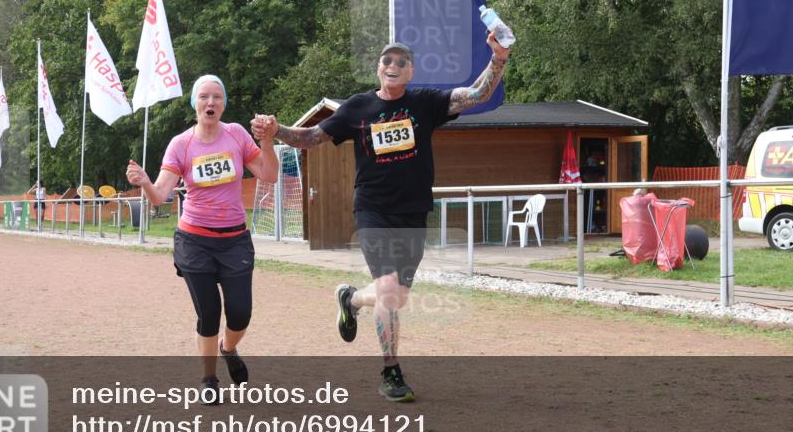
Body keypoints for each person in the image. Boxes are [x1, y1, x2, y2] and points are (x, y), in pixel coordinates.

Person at [252, 33, 510, 401]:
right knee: (388, 290)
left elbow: (478, 94)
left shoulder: (425, 103)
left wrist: (498, 58)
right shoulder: (358, 108)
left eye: (401, 62)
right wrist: (276, 131)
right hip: (372, 210)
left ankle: (352, 299)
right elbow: (310, 138)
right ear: (378, 68)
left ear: (411, 72)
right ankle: (391, 372)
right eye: (387, 60)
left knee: (396, 297)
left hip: (413, 212)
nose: (393, 66)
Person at [127, 74, 278, 403]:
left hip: (234, 240)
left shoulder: (236, 135)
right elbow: (160, 196)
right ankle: (208, 380)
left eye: (217, 97)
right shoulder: (181, 144)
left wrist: (267, 141)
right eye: (204, 97)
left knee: (240, 313)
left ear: (223, 104)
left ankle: (228, 348)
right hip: (194, 241)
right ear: (194, 103)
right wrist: (146, 183)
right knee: (209, 314)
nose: (210, 102)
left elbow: (269, 175)